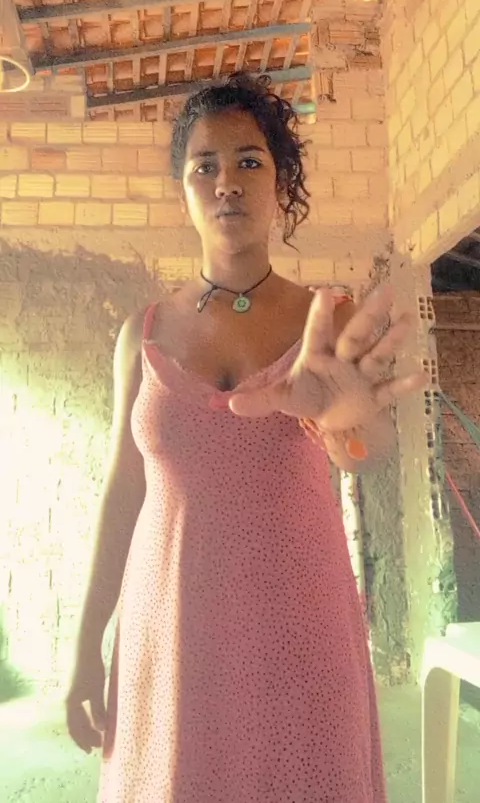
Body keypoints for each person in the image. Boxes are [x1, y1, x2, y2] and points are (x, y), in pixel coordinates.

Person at [66, 73, 426, 802]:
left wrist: (349, 423)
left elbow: (368, 453)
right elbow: (124, 490)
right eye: (204, 166)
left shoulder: (326, 320)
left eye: (248, 161)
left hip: (298, 625)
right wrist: (85, 645)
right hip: (172, 627)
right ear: (183, 191)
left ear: (279, 181)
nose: (226, 181)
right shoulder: (142, 335)